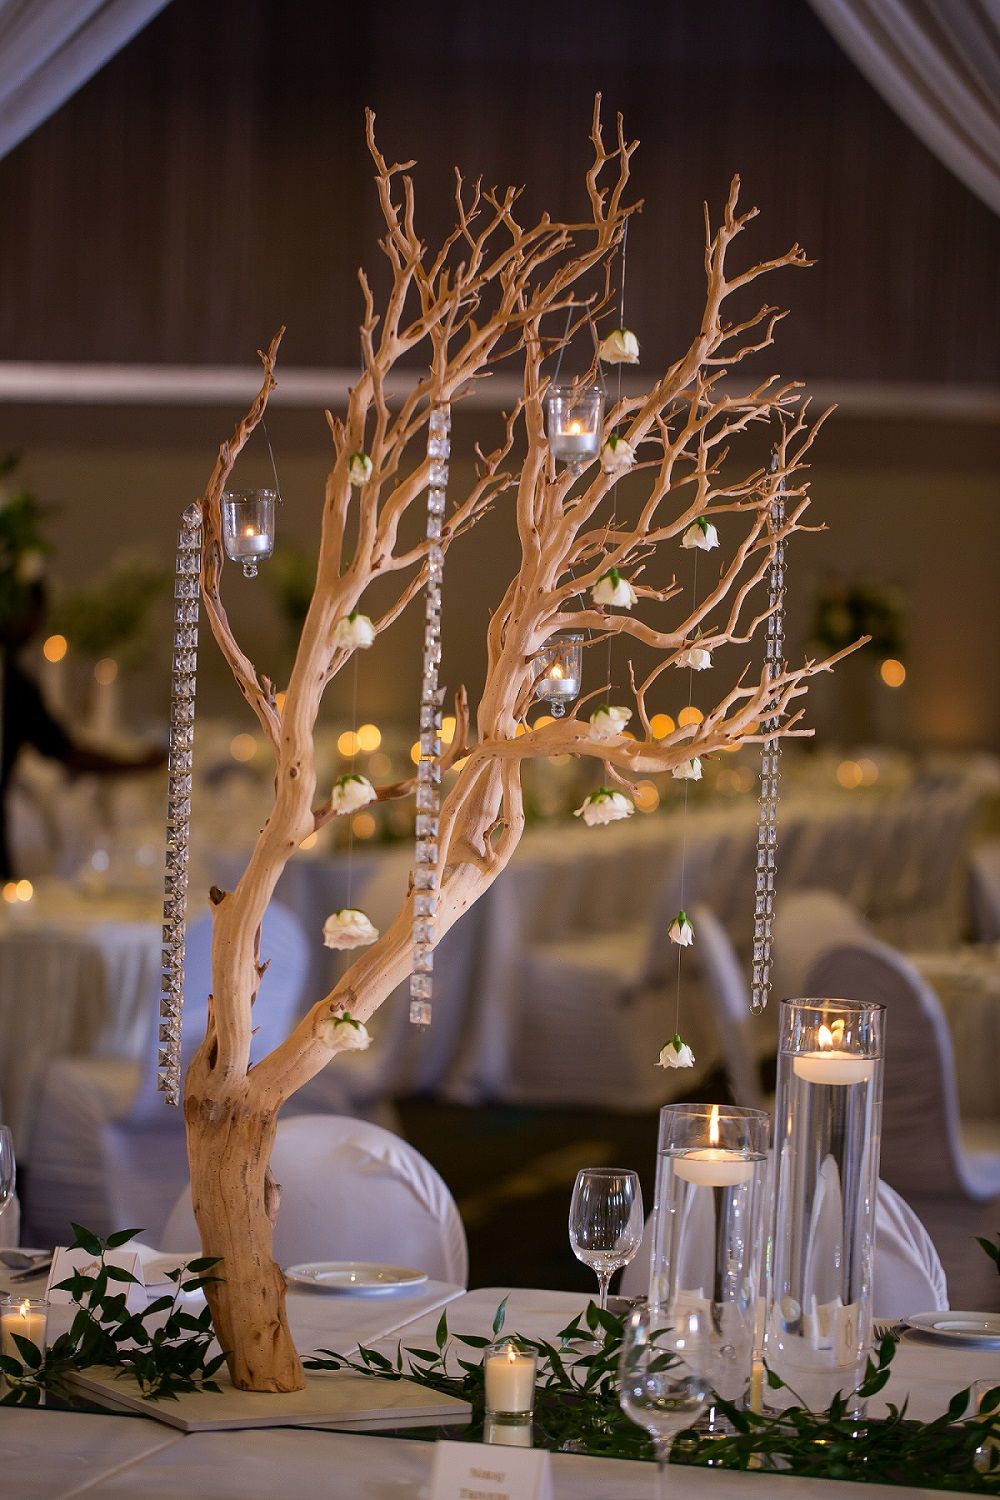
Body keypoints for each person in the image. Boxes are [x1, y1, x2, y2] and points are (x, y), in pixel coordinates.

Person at [0, 580, 165, 880]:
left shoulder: (16, 679)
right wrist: (141, 763)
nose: (36, 627)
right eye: (34, 615)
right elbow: (67, 753)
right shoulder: (13, 685)